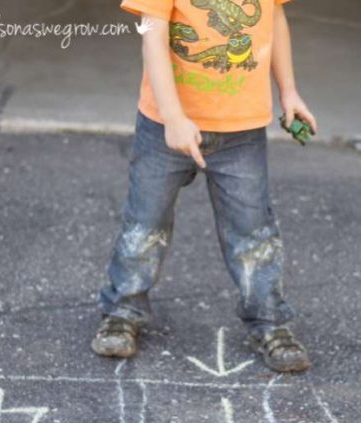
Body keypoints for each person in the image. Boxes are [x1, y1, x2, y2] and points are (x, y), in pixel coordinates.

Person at [92, 0, 317, 372]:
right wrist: (173, 117)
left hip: (242, 132)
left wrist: (289, 91)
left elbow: (274, 20)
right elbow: (152, 36)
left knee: (252, 233)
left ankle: (269, 321)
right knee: (145, 223)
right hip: (165, 127)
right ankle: (123, 310)